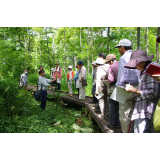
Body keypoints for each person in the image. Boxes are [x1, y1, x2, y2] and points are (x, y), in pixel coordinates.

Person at [124, 50, 160, 133]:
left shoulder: (152, 68)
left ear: (142, 61)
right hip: (143, 109)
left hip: (147, 110)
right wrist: (136, 89)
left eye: (136, 64)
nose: (136, 67)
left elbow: (153, 93)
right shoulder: (146, 69)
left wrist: (135, 91)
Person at [115, 39, 141, 133]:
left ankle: (126, 132)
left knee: (125, 114)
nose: (119, 50)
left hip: (126, 87)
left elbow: (121, 76)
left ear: (123, 47)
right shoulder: (138, 56)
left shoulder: (123, 58)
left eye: (119, 48)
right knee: (136, 113)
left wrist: (119, 88)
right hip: (138, 87)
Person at [105, 54, 120, 129]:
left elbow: (111, 79)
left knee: (112, 105)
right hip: (120, 87)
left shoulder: (112, 66)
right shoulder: (121, 63)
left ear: (111, 61)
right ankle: (118, 122)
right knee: (118, 105)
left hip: (113, 87)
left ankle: (111, 122)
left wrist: (107, 80)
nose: (108, 64)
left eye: (108, 62)